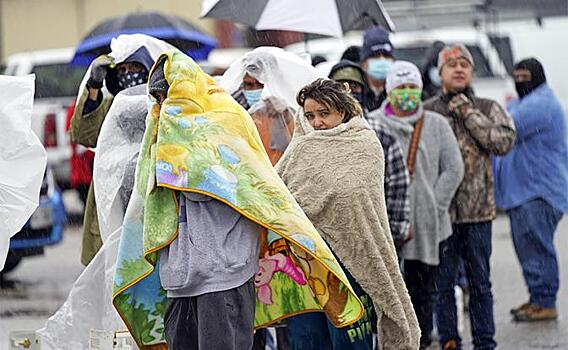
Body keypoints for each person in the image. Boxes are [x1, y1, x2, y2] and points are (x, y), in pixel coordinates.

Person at [111, 50, 367, 350]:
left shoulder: (225, 122)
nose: (163, 108)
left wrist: (178, 158)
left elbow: (237, 185)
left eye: (168, 97)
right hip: (180, 278)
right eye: (158, 100)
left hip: (223, 273)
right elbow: (148, 193)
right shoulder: (161, 135)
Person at [278, 78, 420, 350]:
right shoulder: (299, 147)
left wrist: (323, 202)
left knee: (349, 338)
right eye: (310, 116)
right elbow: (280, 193)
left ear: (341, 112)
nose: (316, 122)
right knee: (307, 339)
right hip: (306, 261)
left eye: (324, 114)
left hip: (351, 259)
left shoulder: (363, 143)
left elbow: (355, 196)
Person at [424, 44, 516, 350]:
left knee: (480, 285)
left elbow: (503, 142)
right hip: (442, 216)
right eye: (451, 65)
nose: (459, 68)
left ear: (472, 71)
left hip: (479, 214)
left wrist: (467, 112)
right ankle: (449, 339)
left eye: (465, 64)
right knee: (443, 284)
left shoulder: (488, 107)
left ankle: (485, 342)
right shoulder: (428, 111)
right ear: (440, 74)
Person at [368, 61, 464, 349]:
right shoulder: (372, 123)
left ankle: (421, 340)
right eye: (401, 87)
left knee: (424, 290)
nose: (406, 93)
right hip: (388, 221)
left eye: (412, 87)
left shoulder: (436, 124)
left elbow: (453, 168)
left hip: (428, 224)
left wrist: (436, 204)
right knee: (392, 292)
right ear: (389, 90)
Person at [70, 35, 157, 266]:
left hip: (149, 200)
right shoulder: (110, 106)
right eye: (123, 69)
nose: (129, 73)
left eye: (136, 67)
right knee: (112, 269)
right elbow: (83, 135)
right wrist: (94, 87)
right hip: (112, 197)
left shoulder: (161, 105)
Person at [494, 58, 568, 322]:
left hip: (538, 192)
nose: (520, 81)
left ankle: (546, 302)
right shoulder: (525, 102)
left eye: (525, 76)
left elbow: (502, 127)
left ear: (537, 77)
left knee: (537, 248)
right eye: (517, 76)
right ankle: (537, 298)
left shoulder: (540, 105)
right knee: (529, 248)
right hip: (527, 191)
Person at [329, 60, 411, 249]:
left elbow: (397, 184)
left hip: (377, 236)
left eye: (354, 86)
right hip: (334, 240)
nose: (348, 91)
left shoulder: (381, 133)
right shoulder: (316, 134)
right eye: (340, 86)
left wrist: (393, 233)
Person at [221, 47, 322, 166]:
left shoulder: (293, 109)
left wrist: (286, 116)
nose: (254, 90)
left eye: (260, 84)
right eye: (248, 85)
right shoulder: (232, 108)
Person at [360, 26, 395, 112]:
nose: (382, 60)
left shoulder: (399, 90)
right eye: (375, 56)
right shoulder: (357, 92)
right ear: (364, 63)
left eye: (386, 56)